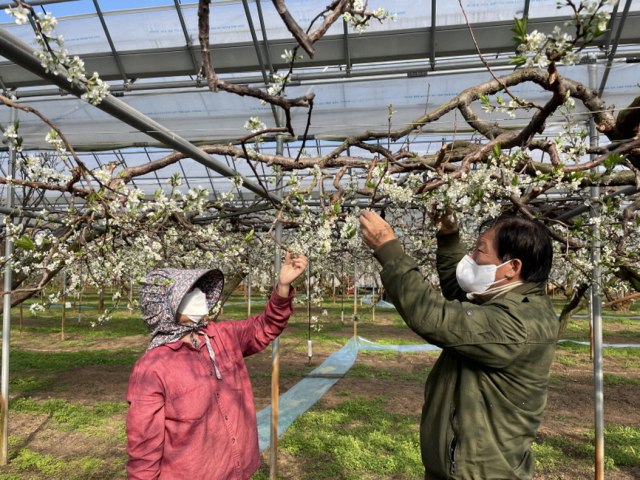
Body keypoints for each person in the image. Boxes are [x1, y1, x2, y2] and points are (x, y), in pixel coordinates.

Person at [359, 210, 557, 480]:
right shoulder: (507, 302)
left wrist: (387, 247)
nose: (471, 258)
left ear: (512, 267)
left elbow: (433, 316)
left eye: (480, 251)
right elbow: (460, 294)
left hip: (479, 472)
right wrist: (449, 236)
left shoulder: (517, 323)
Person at [125, 251, 308, 480]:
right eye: (188, 294)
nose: (199, 297)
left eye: (198, 291)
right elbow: (144, 445)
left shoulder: (221, 336)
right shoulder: (153, 367)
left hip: (238, 469)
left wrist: (282, 286)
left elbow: (267, 325)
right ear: (164, 306)